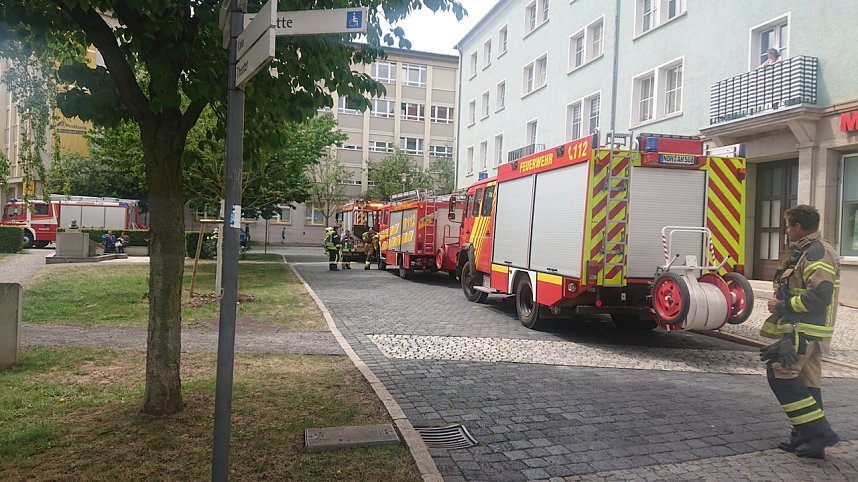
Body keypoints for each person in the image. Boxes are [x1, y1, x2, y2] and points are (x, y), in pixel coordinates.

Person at [760, 204, 840, 459]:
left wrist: (781, 305)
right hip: (804, 329)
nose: (785, 231)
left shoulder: (817, 252)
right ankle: (806, 439)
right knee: (807, 382)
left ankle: (817, 432)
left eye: (787, 226)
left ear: (798, 227)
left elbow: (821, 295)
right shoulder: (807, 250)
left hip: (804, 329)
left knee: (780, 372)